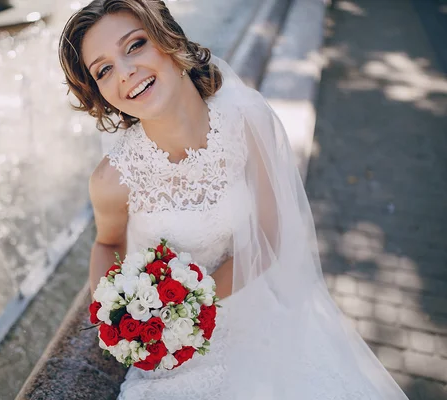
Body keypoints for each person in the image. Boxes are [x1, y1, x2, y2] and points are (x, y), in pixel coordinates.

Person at [59, 1, 410, 399]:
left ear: (169, 39)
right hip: (174, 353)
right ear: (100, 91)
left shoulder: (244, 120)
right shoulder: (111, 178)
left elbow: (268, 233)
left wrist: (189, 308)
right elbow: (107, 244)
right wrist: (114, 315)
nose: (125, 72)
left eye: (135, 45)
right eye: (103, 69)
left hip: (253, 316)